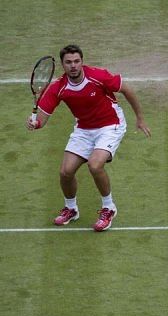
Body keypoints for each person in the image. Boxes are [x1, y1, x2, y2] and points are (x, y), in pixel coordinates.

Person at [26, 44, 151, 232]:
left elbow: (126, 90)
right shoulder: (58, 88)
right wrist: (34, 123)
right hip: (84, 129)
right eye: (68, 62)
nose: (73, 65)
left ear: (82, 62)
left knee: (95, 164)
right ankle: (71, 209)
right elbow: (42, 120)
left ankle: (108, 208)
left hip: (110, 125)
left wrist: (140, 118)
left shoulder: (98, 76)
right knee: (65, 172)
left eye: (77, 61)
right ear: (63, 65)